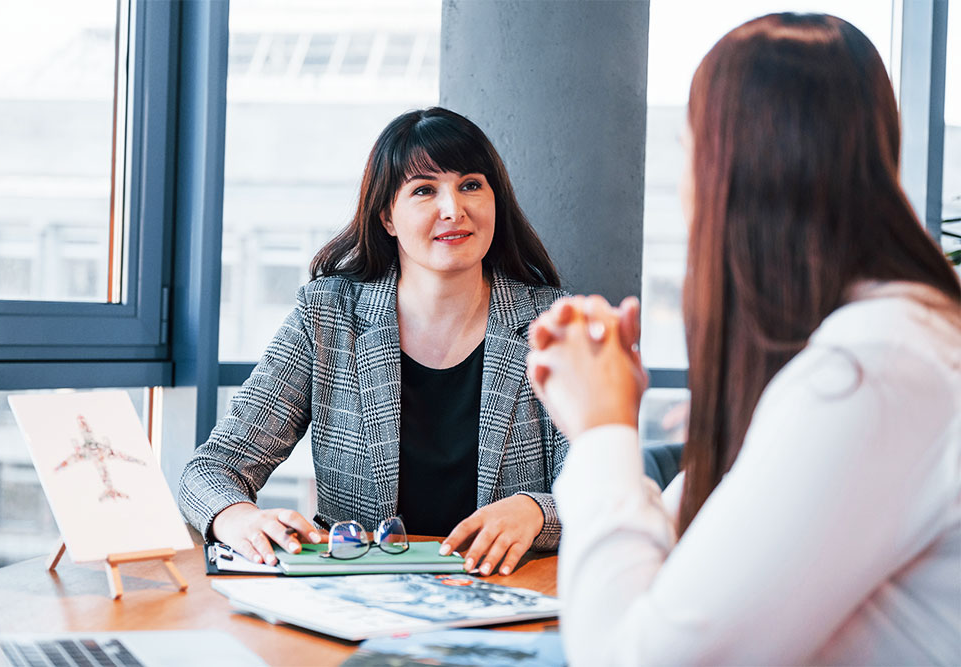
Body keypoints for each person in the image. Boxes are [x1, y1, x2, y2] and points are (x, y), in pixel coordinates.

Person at [527, 13, 961, 665]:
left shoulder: (871, 370)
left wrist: (600, 430)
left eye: (687, 151)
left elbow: (634, 656)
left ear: (735, 173)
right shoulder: (883, 342)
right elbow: (697, 556)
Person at [179, 107, 569, 577]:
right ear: (387, 217)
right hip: (359, 594)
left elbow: (607, 486)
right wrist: (238, 517)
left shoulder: (556, 325)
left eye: (471, 185)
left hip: (512, 594)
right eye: (424, 190)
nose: (453, 209)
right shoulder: (327, 316)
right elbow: (211, 468)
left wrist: (536, 511)